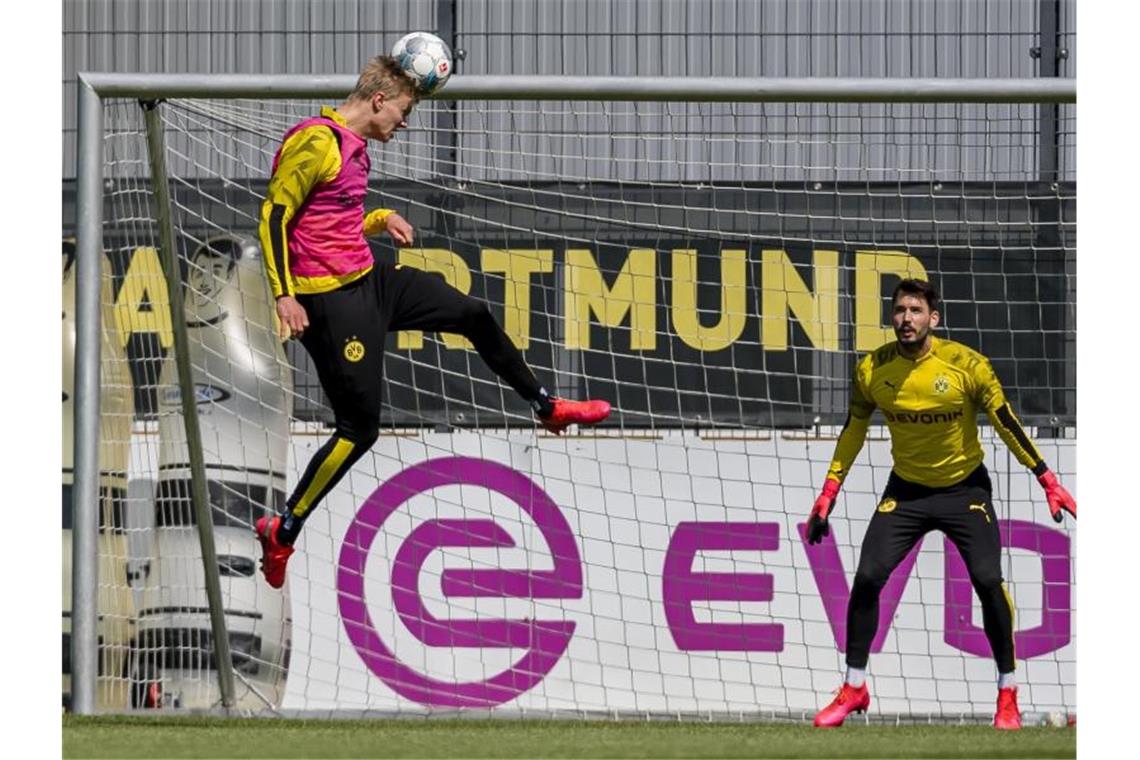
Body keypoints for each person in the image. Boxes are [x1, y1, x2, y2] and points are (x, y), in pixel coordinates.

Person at [254, 55, 611, 589]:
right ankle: (285, 528)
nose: (404, 122)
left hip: (371, 280)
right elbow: (276, 217)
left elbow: (329, 215)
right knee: (359, 430)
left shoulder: (353, 147)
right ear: (379, 100)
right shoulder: (316, 141)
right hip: (331, 302)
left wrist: (378, 218)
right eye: (403, 110)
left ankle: (546, 407)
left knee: (470, 312)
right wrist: (285, 294)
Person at [806, 278, 1075, 730]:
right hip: (906, 491)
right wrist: (828, 492)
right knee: (869, 576)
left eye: (914, 311)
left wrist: (1046, 478)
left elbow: (1006, 422)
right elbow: (853, 430)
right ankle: (854, 687)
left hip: (964, 490)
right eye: (898, 311)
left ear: (934, 319)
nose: (905, 319)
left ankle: (1007, 693)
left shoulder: (967, 366)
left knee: (989, 581)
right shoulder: (873, 369)